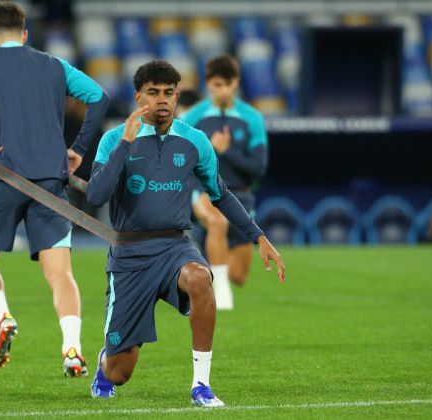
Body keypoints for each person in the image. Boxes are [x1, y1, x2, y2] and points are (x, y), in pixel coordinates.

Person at [85, 60, 285, 406]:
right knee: (121, 372)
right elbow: (95, 196)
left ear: (177, 96)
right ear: (138, 97)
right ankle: (106, 362)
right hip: (130, 255)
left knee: (199, 278)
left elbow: (220, 193)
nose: (161, 100)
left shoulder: (195, 141)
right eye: (153, 93)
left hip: (175, 245)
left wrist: (258, 236)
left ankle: (201, 385)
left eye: (168, 93)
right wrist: (125, 145)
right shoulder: (114, 139)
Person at [0, 2, 109, 375]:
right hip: (50, 180)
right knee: (61, 274)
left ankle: (2, 316)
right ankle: (72, 348)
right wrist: (77, 150)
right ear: (25, 33)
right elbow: (99, 97)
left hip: (3, 175)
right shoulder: (54, 65)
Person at [179, 54, 269, 310]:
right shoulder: (192, 118)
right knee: (217, 221)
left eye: (227, 85)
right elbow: (182, 161)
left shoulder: (252, 119)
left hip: (240, 195)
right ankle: (219, 294)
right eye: (217, 85)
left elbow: (258, 169)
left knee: (239, 276)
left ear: (236, 83)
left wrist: (225, 150)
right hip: (203, 189)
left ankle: (205, 256)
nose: (223, 91)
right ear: (208, 84)